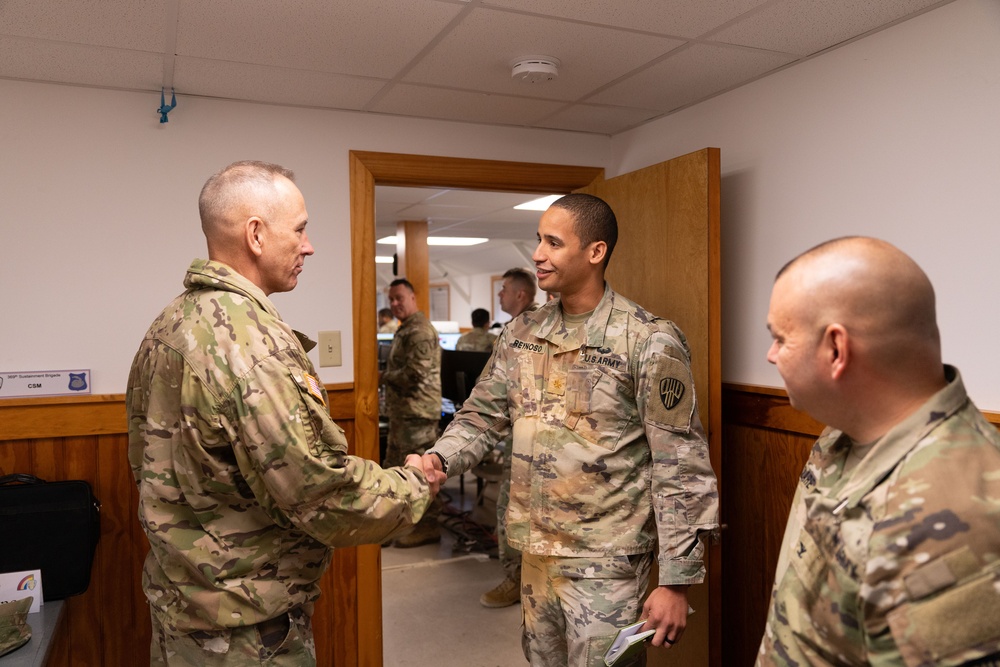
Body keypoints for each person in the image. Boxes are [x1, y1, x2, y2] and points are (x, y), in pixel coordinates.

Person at [126, 161, 444, 666]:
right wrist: (413, 484)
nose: (309, 245)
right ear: (256, 234)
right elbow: (320, 493)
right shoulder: (250, 345)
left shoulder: (169, 324)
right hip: (245, 631)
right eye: (299, 229)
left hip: (183, 611)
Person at [422, 193, 719, 666]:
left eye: (553, 243)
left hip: (607, 564)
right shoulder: (521, 333)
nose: (538, 254)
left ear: (595, 252)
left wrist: (675, 580)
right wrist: (440, 459)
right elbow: (481, 417)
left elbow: (681, 466)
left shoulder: (646, 339)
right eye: (538, 240)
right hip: (536, 555)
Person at [758, 236, 1000, 666]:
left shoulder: (957, 517)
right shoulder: (843, 431)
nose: (771, 354)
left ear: (836, 349)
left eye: (781, 338)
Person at [480, 267, 539, 609]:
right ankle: (520, 576)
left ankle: (517, 578)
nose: (500, 295)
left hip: (528, 442)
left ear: (520, 294)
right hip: (519, 436)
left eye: (504, 290)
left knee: (510, 507)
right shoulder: (519, 329)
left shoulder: (527, 329)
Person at [381, 277, 444, 547]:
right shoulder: (406, 328)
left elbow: (415, 374)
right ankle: (397, 525)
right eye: (391, 300)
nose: (395, 304)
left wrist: (383, 375)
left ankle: (428, 527)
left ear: (412, 297)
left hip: (418, 414)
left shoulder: (419, 331)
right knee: (396, 470)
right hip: (404, 413)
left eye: (399, 298)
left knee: (423, 474)